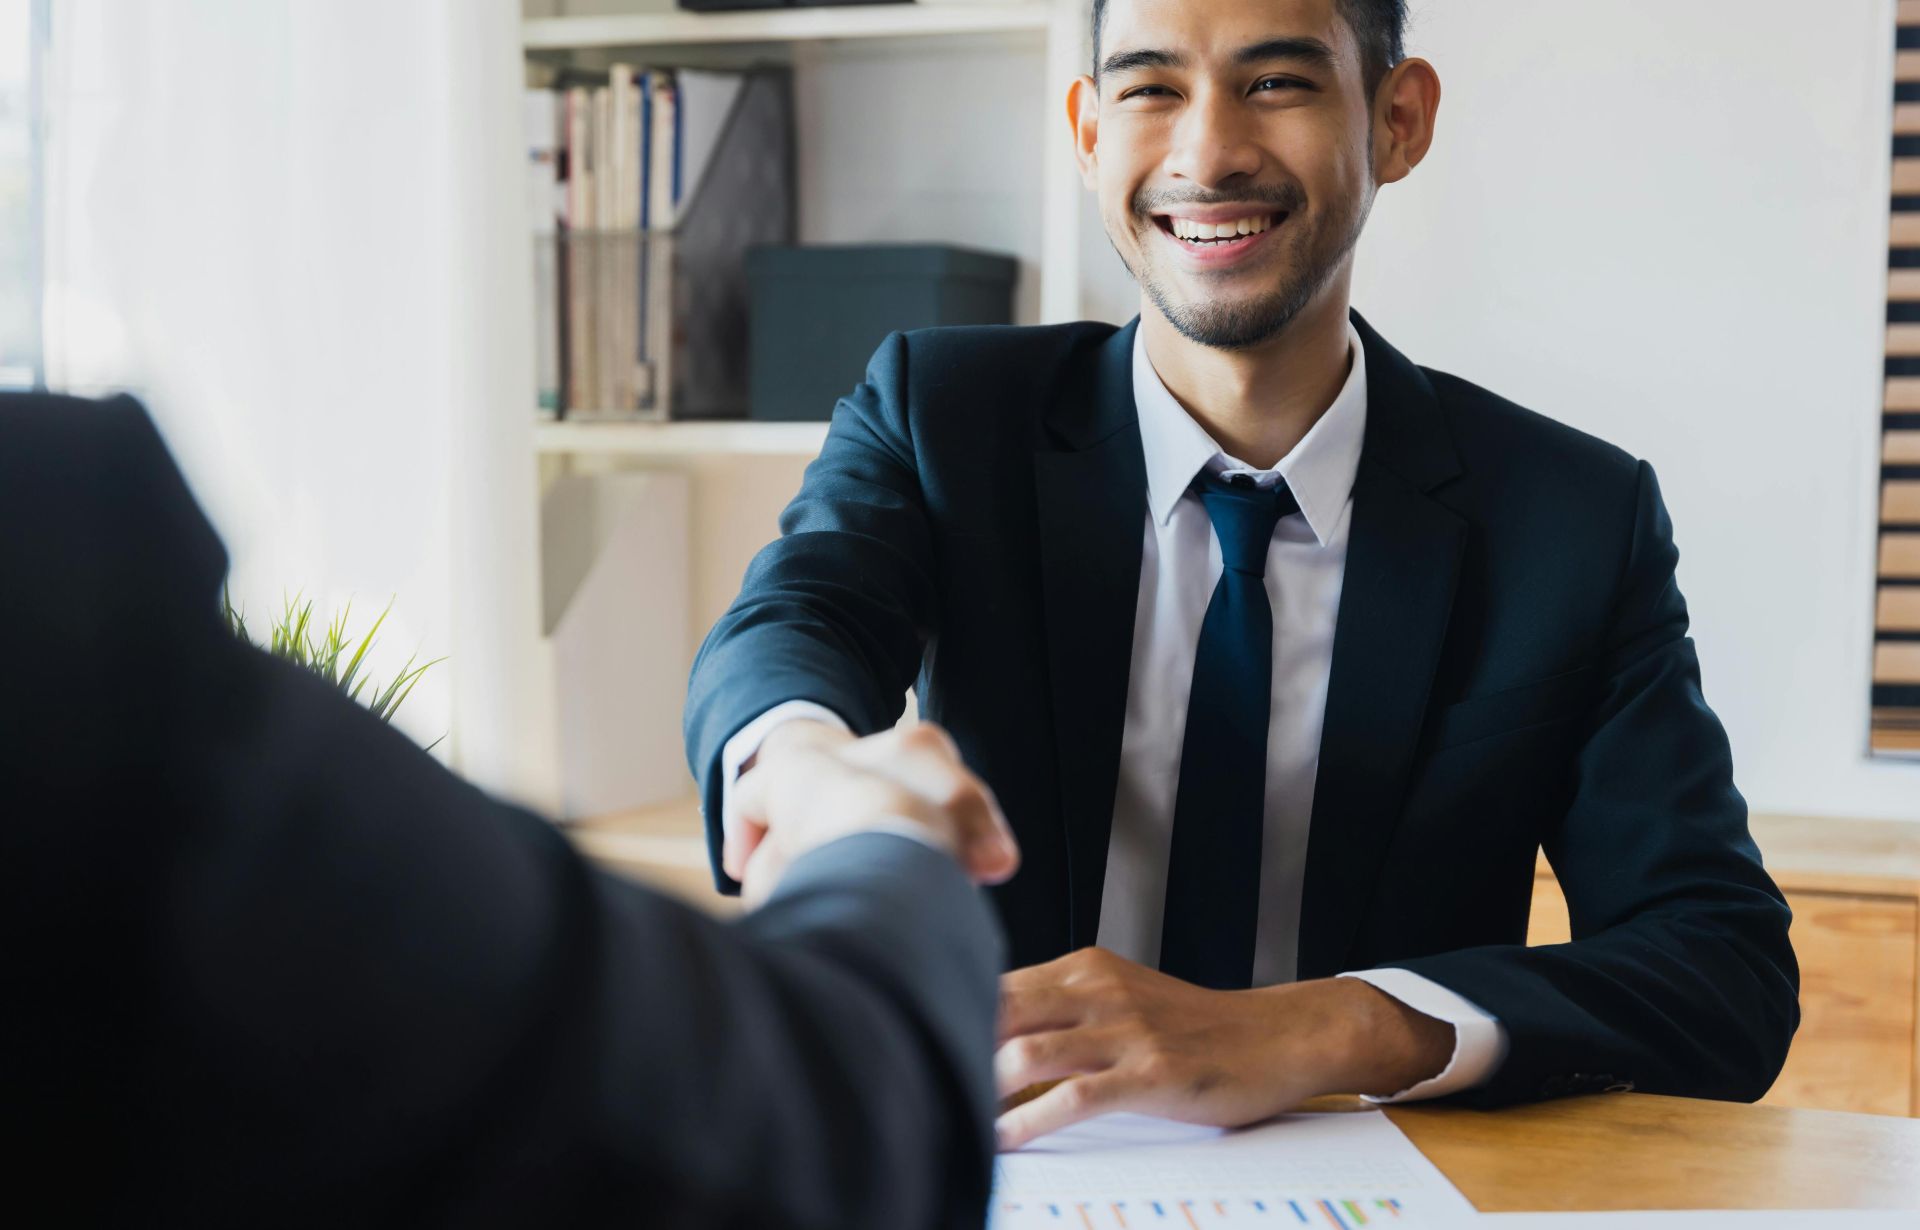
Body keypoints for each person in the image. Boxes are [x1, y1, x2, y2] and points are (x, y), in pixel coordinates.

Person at [685, 0, 1800, 1151]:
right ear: (1086, 132)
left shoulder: (1570, 517)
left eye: (1277, 83)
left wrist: (1331, 1029)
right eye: (1149, 88)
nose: (1207, 153)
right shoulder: (941, 413)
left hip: (1372, 1187)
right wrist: (806, 762)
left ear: (1399, 121)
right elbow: (802, 612)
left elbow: (1721, 970)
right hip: (1006, 1164)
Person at [0, 390, 1020, 1227]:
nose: (1192, 158)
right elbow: (825, 1128)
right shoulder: (66, 599)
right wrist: (851, 806)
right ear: (1079, 130)